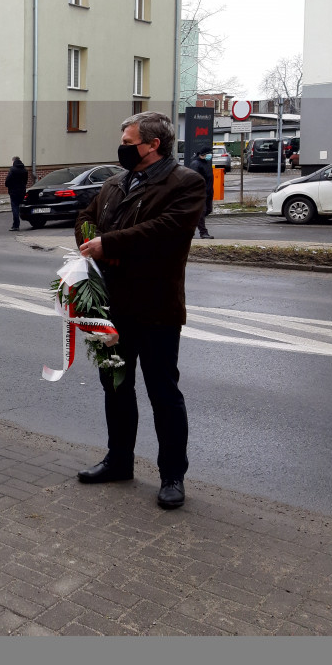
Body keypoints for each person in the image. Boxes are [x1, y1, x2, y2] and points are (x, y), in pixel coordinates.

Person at [75, 111, 205, 510]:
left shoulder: (185, 183)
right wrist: (95, 245)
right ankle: (119, 461)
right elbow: (85, 218)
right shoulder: (116, 182)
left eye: (128, 142)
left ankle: (172, 476)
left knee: (163, 393)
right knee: (115, 386)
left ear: (153, 145)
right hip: (111, 306)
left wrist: (109, 245)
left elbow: (165, 231)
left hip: (156, 308)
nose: (122, 148)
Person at [184, 146, 214, 239]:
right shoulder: (196, 164)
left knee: (208, 210)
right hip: (200, 192)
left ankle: (188, 225)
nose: (211, 155)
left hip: (208, 192)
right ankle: (203, 232)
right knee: (202, 211)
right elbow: (193, 178)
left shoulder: (206, 162)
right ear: (203, 154)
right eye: (209, 153)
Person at [4, 156, 29, 231]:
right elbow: (25, 181)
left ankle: (16, 225)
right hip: (22, 191)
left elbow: (8, 180)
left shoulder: (12, 170)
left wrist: (8, 185)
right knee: (20, 206)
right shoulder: (25, 170)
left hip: (13, 191)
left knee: (15, 207)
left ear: (13, 161)